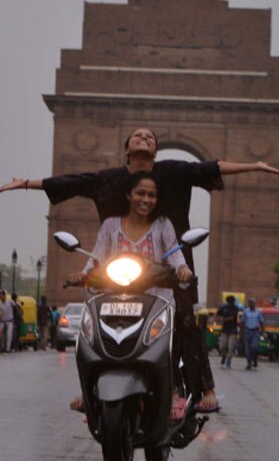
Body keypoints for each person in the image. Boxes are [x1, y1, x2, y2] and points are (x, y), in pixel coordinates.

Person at [0, 128, 279, 412]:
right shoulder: (108, 180)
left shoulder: (172, 172)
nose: (144, 138)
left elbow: (211, 167)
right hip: (121, 269)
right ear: (126, 148)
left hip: (171, 263)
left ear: (156, 151)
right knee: (95, 323)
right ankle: (91, 389)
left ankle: (201, 389)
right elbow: (70, 182)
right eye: (137, 135)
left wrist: (253, 165)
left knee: (185, 323)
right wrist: (25, 184)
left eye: (150, 137)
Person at [68, 172, 193, 420]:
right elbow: (96, 258)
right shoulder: (111, 226)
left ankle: (174, 391)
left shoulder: (162, 225)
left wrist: (182, 268)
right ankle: (89, 389)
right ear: (128, 195)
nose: (146, 199)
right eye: (140, 193)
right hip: (115, 299)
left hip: (155, 300)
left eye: (151, 195)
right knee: (88, 337)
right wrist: (83, 275)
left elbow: (174, 253)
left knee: (171, 340)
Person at [216, 295, 241, 369]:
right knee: (222, 346)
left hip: (233, 330)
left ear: (233, 302)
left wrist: (223, 319)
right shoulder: (224, 307)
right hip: (224, 330)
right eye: (229, 302)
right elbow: (218, 314)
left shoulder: (236, 309)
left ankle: (229, 361)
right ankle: (224, 356)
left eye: (231, 302)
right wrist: (220, 319)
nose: (230, 303)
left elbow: (232, 318)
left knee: (230, 347)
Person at [241, 299, 263, 370]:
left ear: (255, 304)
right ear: (248, 304)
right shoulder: (246, 311)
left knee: (254, 347)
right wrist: (241, 333)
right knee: (247, 349)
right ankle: (249, 363)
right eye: (250, 303)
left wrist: (263, 331)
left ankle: (255, 359)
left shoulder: (258, 312)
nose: (251, 304)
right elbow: (242, 322)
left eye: (252, 303)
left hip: (255, 331)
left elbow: (261, 321)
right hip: (247, 331)